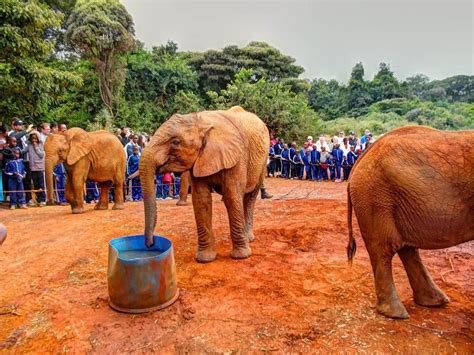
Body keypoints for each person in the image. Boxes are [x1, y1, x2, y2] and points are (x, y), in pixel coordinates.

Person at [27, 131, 46, 206]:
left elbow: (41, 155)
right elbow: (23, 151)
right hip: (32, 167)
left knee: (41, 184)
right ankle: (38, 200)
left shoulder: (41, 144)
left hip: (40, 167)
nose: (33, 140)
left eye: (35, 138)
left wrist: (36, 147)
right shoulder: (29, 145)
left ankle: (43, 200)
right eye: (32, 138)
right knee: (35, 184)